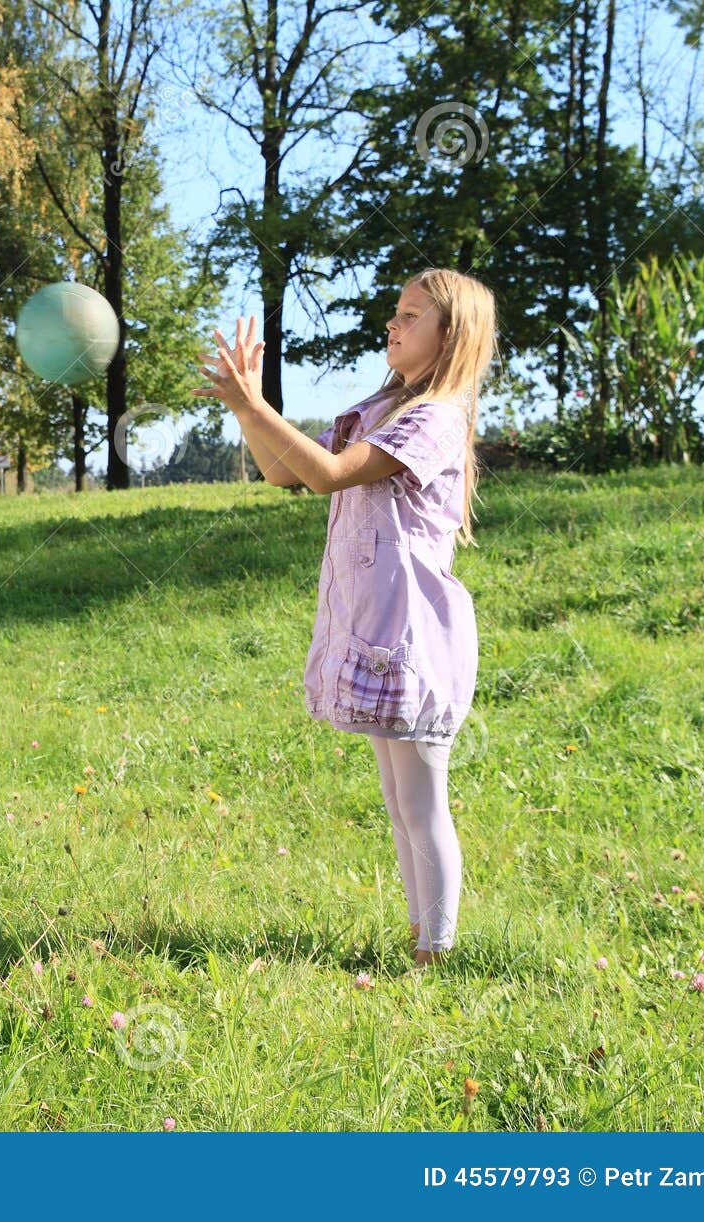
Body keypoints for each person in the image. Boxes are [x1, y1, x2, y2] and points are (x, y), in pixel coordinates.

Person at [194, 269, 496, 967]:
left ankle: (438, 954)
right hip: (379, 631)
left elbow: (331, 473)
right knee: (399, 802)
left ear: (450, 336)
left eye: (410, 316)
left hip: (415, 638)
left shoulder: (435, 417)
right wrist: (247, 410)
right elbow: (285, 471)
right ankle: (423, 938)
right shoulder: (383, 405)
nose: (392, 325)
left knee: (421, 802)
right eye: (395, 313)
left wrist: (254, 402)